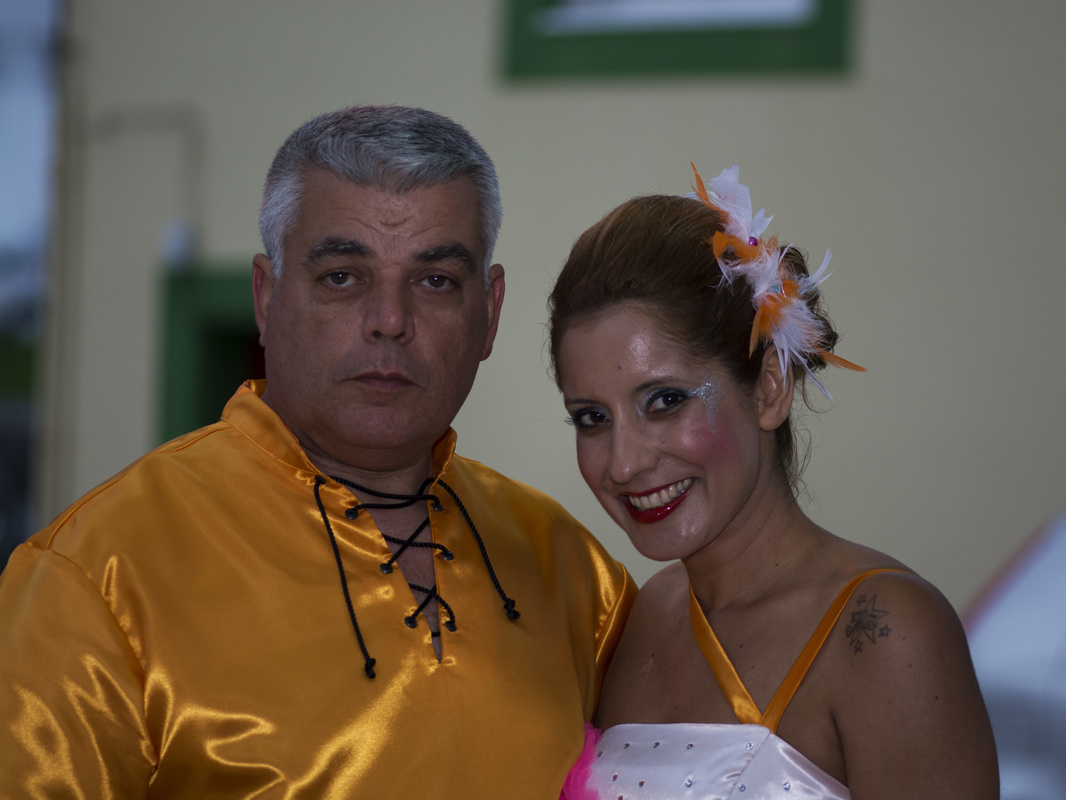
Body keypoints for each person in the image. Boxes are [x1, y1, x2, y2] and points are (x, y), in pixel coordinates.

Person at [0, 105, 635, 798]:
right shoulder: (96, 576)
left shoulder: (573, 574)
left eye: (435, 280)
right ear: (266, 298)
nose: (389, 320)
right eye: (341, 276)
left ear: (491, 311)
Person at [549, 166, 999, 799]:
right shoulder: (645, 615)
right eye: (592, 418)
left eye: (666, 400)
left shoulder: (885, 633)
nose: (623, 464)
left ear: (768, 388)